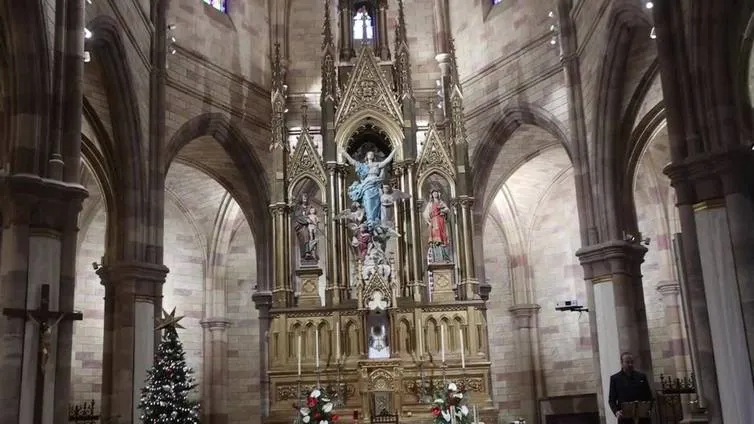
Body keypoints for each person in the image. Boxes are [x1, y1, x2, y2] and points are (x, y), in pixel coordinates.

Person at [609, 352, 654, 423]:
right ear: (621, 363)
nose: (630, 364)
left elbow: (649, 396)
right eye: (627, 362)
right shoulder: (615, 378)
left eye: (632, 362)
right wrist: (616, 411)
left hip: (642, 417)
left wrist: (649, 409)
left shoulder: (641, 376)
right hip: (625, 417)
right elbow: (611, 400)